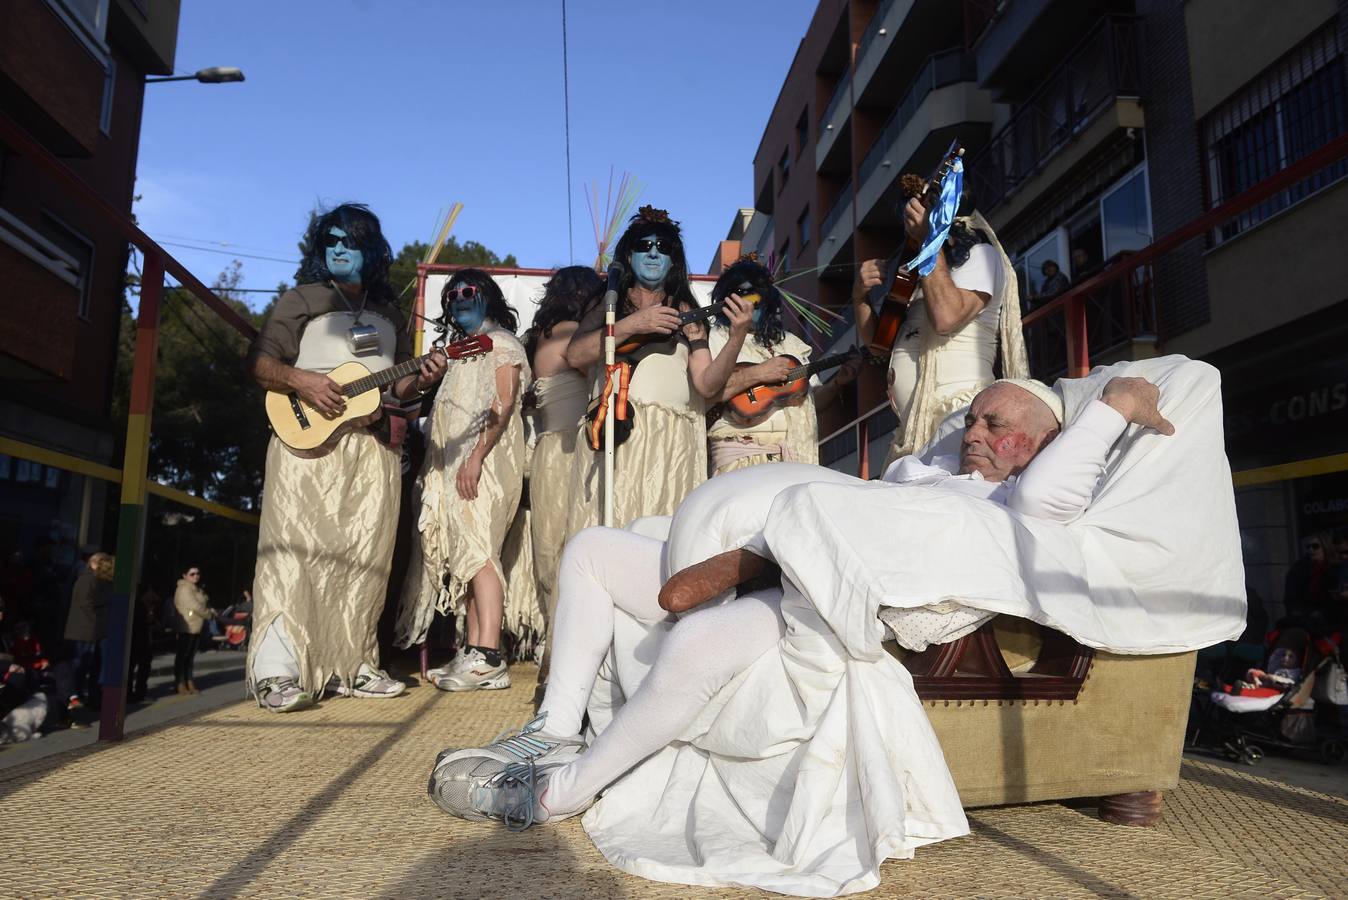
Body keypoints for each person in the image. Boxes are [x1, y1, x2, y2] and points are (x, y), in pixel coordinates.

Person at [427, 376, 1177, 878]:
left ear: (1041, 443)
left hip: (812, 603)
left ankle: (559, 794)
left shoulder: (1017, 505)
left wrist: (1115, 403)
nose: (973, 430)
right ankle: (556, 728)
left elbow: (1044, 490)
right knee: (591, 549)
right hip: (779, 556)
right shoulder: (926, 473)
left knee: (696, 643)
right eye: (973, 418)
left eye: (996, 423)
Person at [246, 203, 448, 713]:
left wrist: (422, 378)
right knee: (292, 552)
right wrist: (301, 380)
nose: (338, 248)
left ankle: (353, 664)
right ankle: (277, 671)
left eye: (350, 241)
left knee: (366, 557)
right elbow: (262, 363)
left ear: (371, 250)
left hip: (373, 446)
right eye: (331, 240)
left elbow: (398, 387)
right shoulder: (301, 298)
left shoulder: (390, 313)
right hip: (304, 442)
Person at [563, 206, 752, 534]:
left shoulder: (687, 311)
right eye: (644, 245)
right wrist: (632, 324)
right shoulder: (608, 305)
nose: (653, 253)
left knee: (659, 534)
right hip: (614, 429)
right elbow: (575, 355)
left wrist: (737, 337)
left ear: (673, 261)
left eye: (663, 248)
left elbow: (707, 385)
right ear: (629, 255)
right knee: (609, 530)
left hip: (670, 443)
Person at [396, 269, 530, 692]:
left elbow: (502, 404)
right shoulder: (459, 353)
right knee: (469, 556)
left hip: (487, 464)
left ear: (488, 297)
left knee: (480, 552)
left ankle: (488, 654)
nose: (459, 299)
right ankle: (475, 650)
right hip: (457, 467)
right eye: (452, 295)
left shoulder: (503, 343)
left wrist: (475, 458)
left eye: (468, 291)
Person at [853, 186, 1029, 469]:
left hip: (959, 419)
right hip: (913, 431)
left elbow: (946, 317)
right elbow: (879, 344)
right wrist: (859, 297)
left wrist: (928, 240)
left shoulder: (981, 255)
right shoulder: (921, 273)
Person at [521, 266, 604, 682]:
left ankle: (552, 636)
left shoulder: (540, 336)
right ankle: (570, 639)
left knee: (549, 545)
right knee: (575, 544)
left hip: (546, 449)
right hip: (575, 448)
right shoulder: (575, 336)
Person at [706, 256, 862, 476]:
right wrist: (758, 373)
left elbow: (810, 401)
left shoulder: (790, 344)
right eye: (742, 292)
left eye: (757, 291)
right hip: (742, 458)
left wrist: (837, 383)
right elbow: (709, 392)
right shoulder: (717, 338)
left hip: (795, 458)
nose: (751, 300)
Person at [61, 551, 111, 710]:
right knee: (80, 664)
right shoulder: (86, 579)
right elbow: (85, 604)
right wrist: (96, 622)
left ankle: (88, 696)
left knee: (91, 664)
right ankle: (73, 696)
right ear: (94, 564)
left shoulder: (96, 580)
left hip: (92, 629)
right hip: (84, 630)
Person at [172, 566, 211, 695]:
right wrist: (208, 613)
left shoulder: (196, 589)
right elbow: (195, 606)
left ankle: (189, 681)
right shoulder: (184, 588)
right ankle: (180, 682)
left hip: (196, 626)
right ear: (184, 576)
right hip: (187, 626)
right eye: (192, 574)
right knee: (183, 656)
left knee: (190, 657)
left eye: (197, 573)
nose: (196, 576)